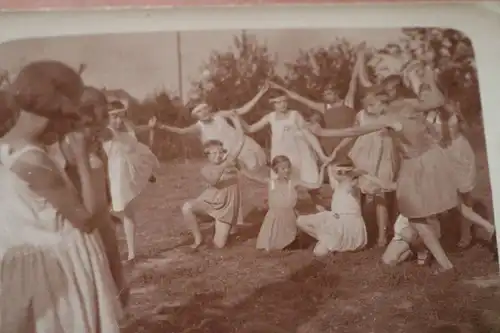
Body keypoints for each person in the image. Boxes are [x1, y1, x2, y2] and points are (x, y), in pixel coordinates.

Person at [0, 60, 121, 333]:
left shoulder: (7, 149)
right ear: (56, 110)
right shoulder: (33, 159)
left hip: (25, 264)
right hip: (61, 270)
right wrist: (81, 159)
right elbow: (87, 218)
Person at [152, 84, 269, 225]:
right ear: (195, 115)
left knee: (260, 172)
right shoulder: (198, 127)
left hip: (243, 145)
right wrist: (161, 126)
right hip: (228, 156)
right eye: (199, 111)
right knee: (237, 181)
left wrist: (260, 94)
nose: (204, 112)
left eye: (205, 108)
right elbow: (180, 131)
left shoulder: (219, 115)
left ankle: (279, 190)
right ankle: (222, 212)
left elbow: (241, 111)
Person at [329, 90, 399, 247]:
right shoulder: (361, 115)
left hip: (383, 157)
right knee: (357, 191)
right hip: (363, 156)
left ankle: (383, 235)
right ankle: (357, 231)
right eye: (366, 104)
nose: (369, 107)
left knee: (380, 193)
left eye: (372, 104)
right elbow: (353, 133)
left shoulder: (388, 116)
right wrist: (337, 149)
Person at [100, 96, 159, 263]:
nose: (118, 120)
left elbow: (136, 131)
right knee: (118, 209)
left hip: (130, 172)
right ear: (106, 117)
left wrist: (149, 127)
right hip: (116, 175)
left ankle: (132, 253)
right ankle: (112, 223)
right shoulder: (106, 132)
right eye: (114, 117)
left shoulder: (127, 127)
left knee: (128, 212)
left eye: (121, 116)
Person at [297, 158, 395, 257]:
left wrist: (362, 173)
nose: (336, 174)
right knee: (301, 221)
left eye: (342, 172)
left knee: (319, 252)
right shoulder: (339, 186)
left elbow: (375, 187)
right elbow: (333, 203)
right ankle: (328, 240)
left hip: (349, 226)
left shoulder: (352, 184)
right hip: (337, 220)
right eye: (336, 171)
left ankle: (333, 243)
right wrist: (315, 197)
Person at [181, 112, 246, 250]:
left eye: (221, 152)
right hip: (210, 203)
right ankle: (198, 239)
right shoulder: (206, 169)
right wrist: (225, 164)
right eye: (214, 153)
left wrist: (237, 122)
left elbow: (240, 140)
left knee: (219, 246)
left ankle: (219, 228)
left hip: (227, 207)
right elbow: (214, 180)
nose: (218, 156)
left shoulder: (230, 160)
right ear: (207, 155)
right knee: (187, 207)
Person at [245, 155, 328, 251]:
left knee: (290, 244)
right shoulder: (271, 183)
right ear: (276, 169)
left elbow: (316, 185)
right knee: (271, 247)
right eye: (283, 168)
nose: (287, 171)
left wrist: (322, 168)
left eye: (288, 167)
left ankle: (292, 241)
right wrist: (238, 166)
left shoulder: (293, 182)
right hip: (274, 218)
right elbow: (251, 176)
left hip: (289, 218)